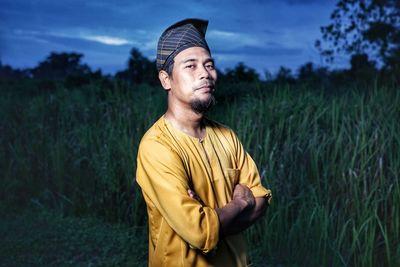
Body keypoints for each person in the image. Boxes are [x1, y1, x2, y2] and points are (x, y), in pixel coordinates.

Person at [136, 18, 272, 267]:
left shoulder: (227, 136)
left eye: (209, 65)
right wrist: (241, 203)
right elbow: (198, 232)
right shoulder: (156, 146)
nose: (205, 74)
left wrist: (213, 220)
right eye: (190, 66)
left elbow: (261, 201)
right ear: (166, 80)